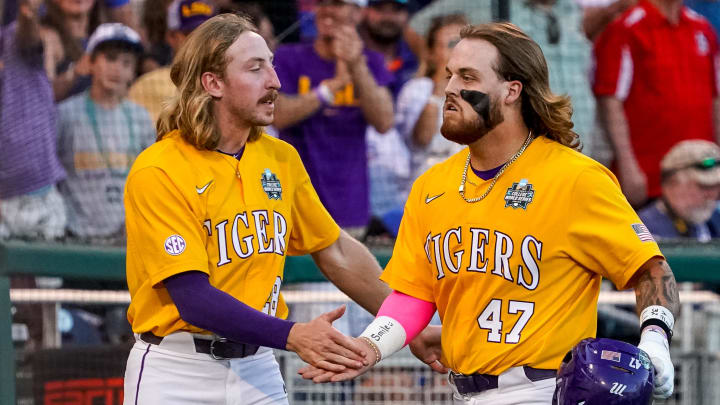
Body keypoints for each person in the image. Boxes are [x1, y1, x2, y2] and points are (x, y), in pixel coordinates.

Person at [299, 22, 679, 404]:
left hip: (545, 389)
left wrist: (656, 341)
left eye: (467, 76)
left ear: (512, 90)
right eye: (449, 75)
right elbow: (414, 294)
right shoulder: (432, 185)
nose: (449, 88)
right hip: (464, 391)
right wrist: (372, 345)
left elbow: (650, 269)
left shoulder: (575, 177)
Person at [122, 14, 441, 404]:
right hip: (177, 369)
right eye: (255, 68)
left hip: (257, 365)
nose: (274, 81)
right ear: (213, 82)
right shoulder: (160, 168)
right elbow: (192, 297)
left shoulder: (279, 158)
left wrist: (405, 326)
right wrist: (292, 334)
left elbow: (336, 250)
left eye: (271, 64)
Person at [404, 0, 603, 162]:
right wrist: (444, 67)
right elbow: (416, 28)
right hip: (526, 139)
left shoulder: (570, 8)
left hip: (578, 132)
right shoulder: (484, 3)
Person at [273, 0, 394, 236]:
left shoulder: (372, 62)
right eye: (322, 3)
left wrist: (356, 65)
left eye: (337, 3)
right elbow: (278, 115)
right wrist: (333, 88)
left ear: (358, 14)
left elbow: (384, 121)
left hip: (348, 207)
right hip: (294, 206)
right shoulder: (288, 56)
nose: (327, 9)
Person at [593, 0, 720, 207]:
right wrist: (628, 167)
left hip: (701, 175)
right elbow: (610, 102)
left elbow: (716, 99)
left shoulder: (702, 28)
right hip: (650, 178)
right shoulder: (626, 28)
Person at [56, 23, 155, 241]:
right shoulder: (65, 114)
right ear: (90, 63)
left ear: (133, 72)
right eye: (110, 58)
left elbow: (151, 182)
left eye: (127, 63)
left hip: (127, 242)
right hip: (75, 239)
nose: (117, 69)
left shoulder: (141, 118)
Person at [0, 0, 66, 240]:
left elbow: (27, 36)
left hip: (36, 195)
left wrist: (28, 14)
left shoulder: (16, 39)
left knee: (41, 275)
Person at [396, 14, 466, 182]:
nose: (458, 51)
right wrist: (441, 86)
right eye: (451, 44)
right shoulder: (417, 89)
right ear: (432, 54)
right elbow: (420, 141)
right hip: (429, 180)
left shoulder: (483, 88)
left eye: (463, 43)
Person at [129, 0, 216, 122]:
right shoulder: (147, 86)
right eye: (190, 33)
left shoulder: (229, 83)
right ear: (170, 37)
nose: (200, 41)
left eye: (207, 34)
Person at [639, 140, 720, 241]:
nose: (712, 196)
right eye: (703, 186)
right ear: (671, 183)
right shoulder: (645, 231)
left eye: (717, 187)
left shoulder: (714, 219)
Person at [359, 0, 418, 98]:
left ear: (407, 14)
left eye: (396, 10)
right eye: (380, 9)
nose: (388, 18)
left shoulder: (416, 57)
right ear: (365, 12)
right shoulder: (351, 56)